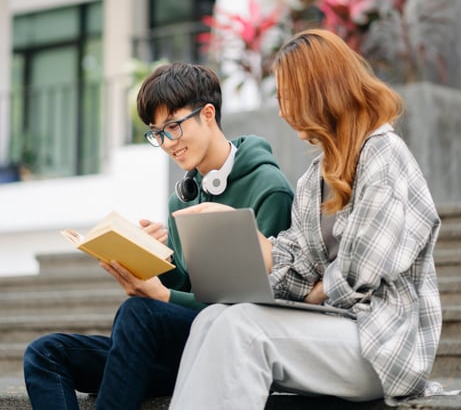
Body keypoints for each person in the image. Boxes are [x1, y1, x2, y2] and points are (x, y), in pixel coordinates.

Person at [168, 29, 443, 410]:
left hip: (380, 343)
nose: (281, 111)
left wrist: (318, 290)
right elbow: (297, 265)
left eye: (286, 97)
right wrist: (255, 244)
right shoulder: (316, 177)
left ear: (320, 92)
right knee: (212, 318)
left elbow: (362, 270)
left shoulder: (384, 155)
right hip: (334, 332)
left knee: (241, 330)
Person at [23, 62, 294, 410]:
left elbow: (251, 307)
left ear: (208, 114)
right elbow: (190, 287)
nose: (167, 143)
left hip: (230, 344)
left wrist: (161, 296)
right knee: (44, 353)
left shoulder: (269, 190)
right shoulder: (183, 194)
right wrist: (158, 259)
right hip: (178, 346)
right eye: (158, 133)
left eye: (173, 127)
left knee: (138, 312)